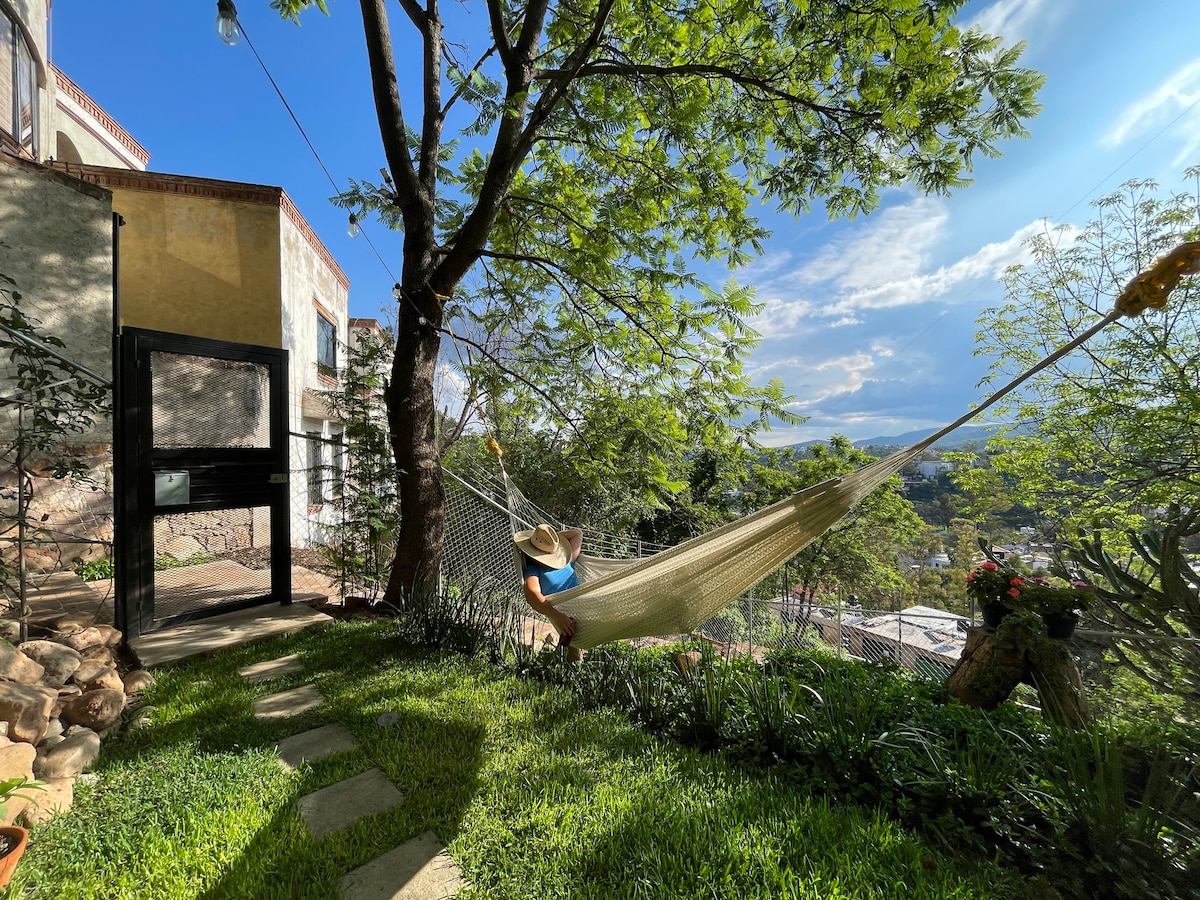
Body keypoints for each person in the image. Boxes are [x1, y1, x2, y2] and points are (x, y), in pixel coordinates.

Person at [513, 523, 582, 646]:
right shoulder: (534, 570)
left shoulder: (565, 560)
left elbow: (577, 534)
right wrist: (557, 616)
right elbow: (532, 595)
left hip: (587, 600)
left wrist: (551, 541)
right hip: (572, 613)